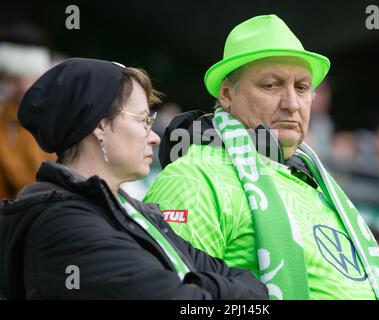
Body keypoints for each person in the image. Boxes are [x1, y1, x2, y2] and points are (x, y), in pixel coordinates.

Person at [145, 14, 379, 300]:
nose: (292, 104)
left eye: (302, 88)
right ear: (227, 93)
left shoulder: (316, 185)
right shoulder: (194, 178)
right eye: (271, 85)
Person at [0, 58, 268, 300]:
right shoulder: (65, 226)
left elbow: (253, 287)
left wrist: (194, 284)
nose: (155, 137)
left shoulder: (134, 213)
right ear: (100, 125)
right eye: (143, 120)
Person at [0, 31, 56, 199]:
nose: (8, 89)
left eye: (16, 80)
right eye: (4, 80)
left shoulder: (54, 119)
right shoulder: (7, 116)